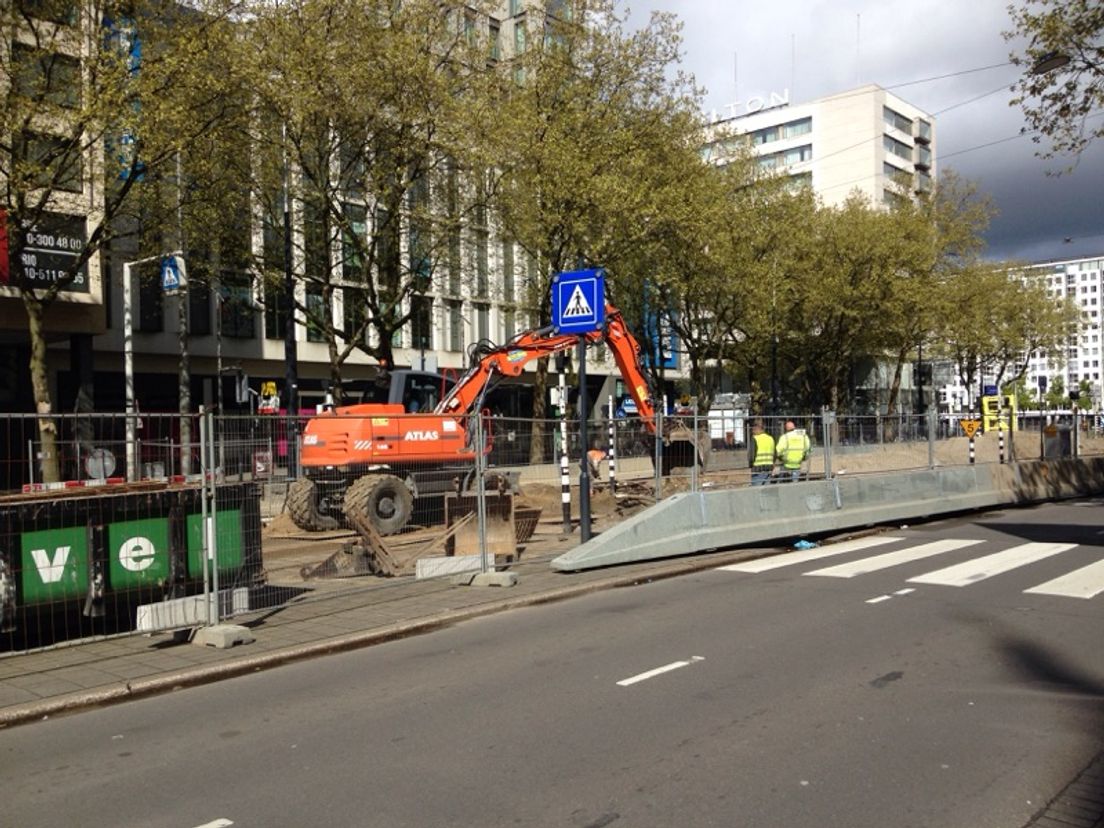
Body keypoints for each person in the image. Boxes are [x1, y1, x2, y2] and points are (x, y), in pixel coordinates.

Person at [748, 420, 775, 486]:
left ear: (757, 428)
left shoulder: (755, 438)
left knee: (756, 492)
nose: (752, 431)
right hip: (769, 469)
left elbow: (751, 456)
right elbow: (774, 454)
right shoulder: (770, 438)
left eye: (753, 429)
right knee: (766, 493)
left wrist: (751, 465)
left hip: (757, 470)